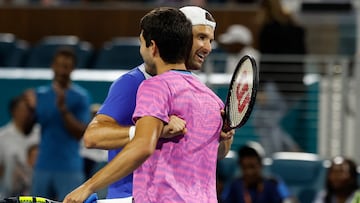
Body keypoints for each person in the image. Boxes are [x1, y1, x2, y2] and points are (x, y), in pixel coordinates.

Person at [63, 7, 229, 203]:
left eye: (210, 40)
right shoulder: (134, 83)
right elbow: (92, 137)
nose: (208, 47)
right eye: (201, 37)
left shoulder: (177, 89)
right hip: (130, 195)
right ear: (181, 37)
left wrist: (223, 137)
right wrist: (150, 131)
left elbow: (209, 153)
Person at [23, 47, 92, 201]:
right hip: (43, 166)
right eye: (59, 65)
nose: (62, 70)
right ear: (52, 66)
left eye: (66, 66)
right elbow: (26, 130)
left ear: (73, 69)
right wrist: (31, 110)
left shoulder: (80, 97)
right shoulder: (40, 95)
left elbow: (80, 133)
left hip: (69, 167)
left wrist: (63, 110)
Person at [256, 0, 307, 104]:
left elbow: (267, 60)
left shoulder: (269, 30)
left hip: (276, 85)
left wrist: (261, 88)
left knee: (263, 119)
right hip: (295, 84)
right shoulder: (296, 29)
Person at [222, 144, 293, 203]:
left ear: (261, 165)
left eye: (252, 167)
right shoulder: (234, 185)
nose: (249, 172)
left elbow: (287, 200)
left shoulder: (273, 183)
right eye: (244, 167)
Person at [0, 95, 40, 198]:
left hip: (39, 193)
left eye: (29, 110)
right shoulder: (3, 136)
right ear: (13, 111)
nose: (26, 114)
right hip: (10, 195)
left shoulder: (40, 133)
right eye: (22, 110)